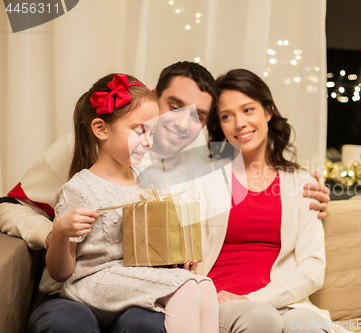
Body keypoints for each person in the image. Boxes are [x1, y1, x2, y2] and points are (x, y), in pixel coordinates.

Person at [0, 61, 331, 332]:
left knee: (149, 322)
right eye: (174, 106)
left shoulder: (197, 163)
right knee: (67, 322)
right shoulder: (88, 141)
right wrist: (59, 234)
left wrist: (309, 190)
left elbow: (253, 187)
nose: (182, 123)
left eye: (199, 116)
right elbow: (11, 208)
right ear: (153, 97)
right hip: (74, 284)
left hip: (144, 293)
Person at [45, 73, 218, 333]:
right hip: (92, 283)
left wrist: (177, 256)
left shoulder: (146, 182)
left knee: (203, 285)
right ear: (101, 129)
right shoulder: (79, 189)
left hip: (132, 277)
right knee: (183, 288)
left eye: (152, 131)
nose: (148, 141)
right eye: (139, 131)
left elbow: (149, 248)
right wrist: (60, 232)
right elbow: (61, 273)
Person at [202, 68, 332, 333]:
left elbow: (313, 268)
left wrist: (255, 298)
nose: (239, 123)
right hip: (219, 301)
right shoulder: (205, 181)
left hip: (281, 301)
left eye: (248, 110)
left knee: (308, 327)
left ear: (268, 111)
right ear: (220, 126)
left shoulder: (302, 183)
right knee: (261, 319)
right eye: (227, 116)